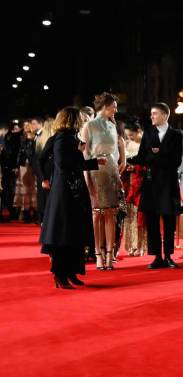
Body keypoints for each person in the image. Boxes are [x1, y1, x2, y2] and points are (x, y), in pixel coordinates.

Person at [40, 107, 105, 289]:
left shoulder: (70, 137)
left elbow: (63, 161)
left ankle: (71, 272)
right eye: (81, 118)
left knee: (74, 232)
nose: (84, 120)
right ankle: (60, 275)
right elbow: (63, 164)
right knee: (64, 233)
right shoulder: (62, 138)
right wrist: (92, 162)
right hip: (65, 192)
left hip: (72, 189)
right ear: (73, 119)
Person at [129, 102, 183, 269]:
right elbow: (142, 157)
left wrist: (155, 156)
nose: (151, 116)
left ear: (165, 115)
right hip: (151, 182)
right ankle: (157, 257)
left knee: (168, 221)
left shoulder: (176, 135)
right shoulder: (148, 133)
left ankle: (168, 256)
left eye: (155, 113)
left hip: (168, 183)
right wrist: (126, 160)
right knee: (152, 221)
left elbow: (176, 160)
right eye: (151, 113)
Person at [81, 92, 125, 270]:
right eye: (114, 106)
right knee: (97, 213)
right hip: (95, 170)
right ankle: (98, 254)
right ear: (105, 106)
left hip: (111, 170)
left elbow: (115, 151)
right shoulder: (89, 126)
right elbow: (84, 153)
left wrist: (120, 168)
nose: (116, 109)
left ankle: (109, 254)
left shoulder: (112, 125)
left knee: (111, 214)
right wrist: (87, 176)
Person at [122, 121, 147, 257]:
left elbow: (149, 164)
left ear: (138, 131)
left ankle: (141, 246)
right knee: (130, 215)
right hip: (129, 183)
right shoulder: (126, 145)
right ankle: (131, 245)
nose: (129, 138)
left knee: (141, 216)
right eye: (127, 136)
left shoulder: (145, 144)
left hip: (142, 185)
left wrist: (136, 168)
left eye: (131, 135)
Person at [13, 123, 37, 222]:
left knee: (33, 189)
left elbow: (33, 152)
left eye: (29, 125)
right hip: (24, 165)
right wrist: (17, 166)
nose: (27, 127)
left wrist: (30, 140)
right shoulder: (22, 138)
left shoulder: (35, 138)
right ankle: (25, 211)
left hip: (32, 166)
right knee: (24, 189)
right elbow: (20, 152)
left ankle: (34, 211)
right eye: (25, 126)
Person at [33, 118, 54, 224]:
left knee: (41, 195)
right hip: (48, 171)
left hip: (41, 171)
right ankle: (46, 219)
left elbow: (37, 158)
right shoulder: (51, 139)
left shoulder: (40, 139)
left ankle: (41, 218)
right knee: (48, 196)